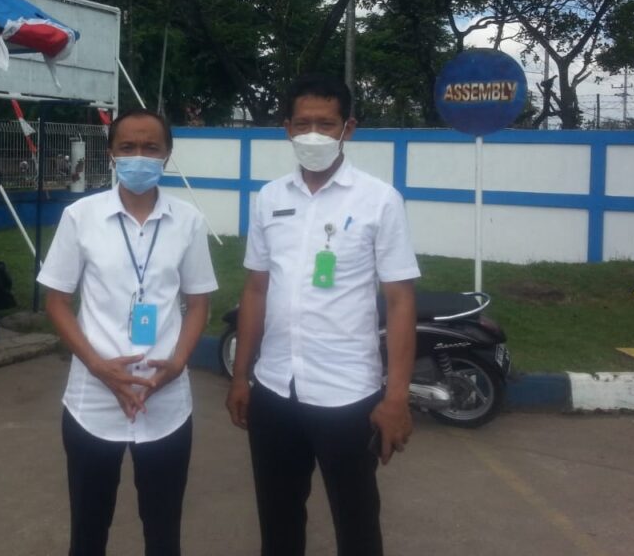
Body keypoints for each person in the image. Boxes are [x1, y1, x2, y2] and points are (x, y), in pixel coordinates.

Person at [225, 73, 419, 556]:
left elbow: (400, 301)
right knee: (278, 521)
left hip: (348, 395)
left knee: (357, 525)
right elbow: (255, 289)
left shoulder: (379, 200)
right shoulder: (270, 198)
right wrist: (241, 376)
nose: (313, 134)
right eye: (303, 123)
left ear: (348, 128)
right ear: (287, 128)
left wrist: (396, 397)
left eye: (326, 124)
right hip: (275, 390)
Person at [39, 108, 218, 556]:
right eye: (128, 147)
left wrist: (178, 363)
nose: (140, 156)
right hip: (92, 401)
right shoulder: (80, 217)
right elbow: (57, 301)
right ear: (111, 154)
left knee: (163, 531)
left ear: (167, 155)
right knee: (88, 530)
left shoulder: (188, 221)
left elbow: (199, 303)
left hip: (166, 400)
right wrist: (99, 367)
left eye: (151, 147)